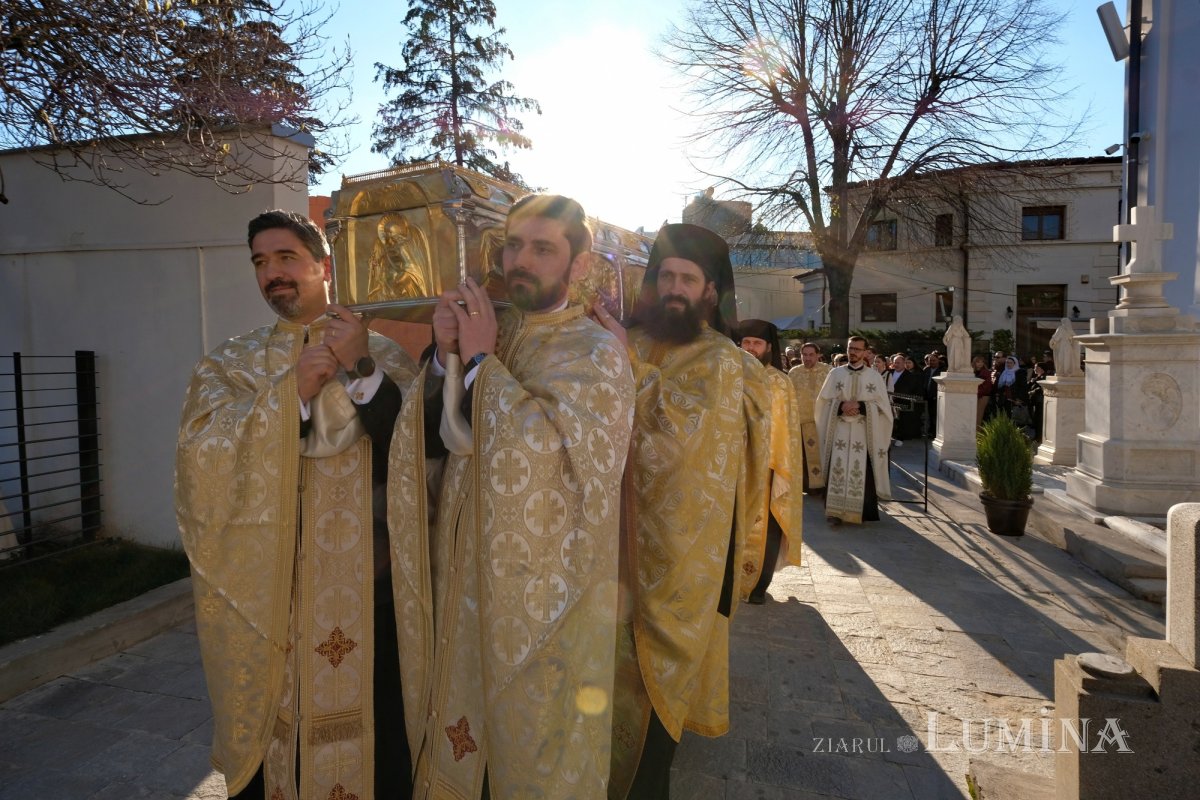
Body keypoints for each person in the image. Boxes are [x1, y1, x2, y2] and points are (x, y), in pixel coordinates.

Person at [386, 194, 635, 799]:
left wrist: (478, 359)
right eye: (513, 245)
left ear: (579, 265)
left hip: (544, 602)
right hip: (462, 579)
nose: (520, 260)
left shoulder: (597, 352)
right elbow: (438, 443)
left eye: (543, 248)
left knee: (530, 753)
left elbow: (556, 465)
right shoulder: (494, 330)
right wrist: (446, 358)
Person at [176, 210, 418, 799]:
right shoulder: (229, 363)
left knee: (380, 744)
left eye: (286, 258)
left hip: (371, 593)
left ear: (323, 267)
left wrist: (360, 368)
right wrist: (294, 397)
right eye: (261, 262)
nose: (272, 274)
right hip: (272, 597)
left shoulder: (385, 354)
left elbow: (418, 458)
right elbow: (200, 458)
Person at [593, 223, 770, 800]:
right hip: (602, 558)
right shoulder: (629, 339)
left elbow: (680, 445)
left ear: (710, 291)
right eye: (665, 275)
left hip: (669, 572)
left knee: (646, 745)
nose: (673, 288)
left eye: (686, 279)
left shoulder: (720, 359)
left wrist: (620, 360)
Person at [735, 319, 803, 606]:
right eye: (746, 342)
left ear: (768, 348)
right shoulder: (729, 372)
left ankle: (756, 586)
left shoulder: (778, 381)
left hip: (765, 466)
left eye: (756, 343)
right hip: (731, 464)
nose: (750, 348)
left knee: (763, 524)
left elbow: (781, 430)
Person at [817, 336, 894, 525]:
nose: (853, 352)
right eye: (850, 348)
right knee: (837, 467)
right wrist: (840, 406)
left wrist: (861, 405)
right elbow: (822, 403)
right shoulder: (835, 374)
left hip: (863, 432)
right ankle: (835, 512)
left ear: (866, 352)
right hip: (839, 431)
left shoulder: (874, 377)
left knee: (863, 469)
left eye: (857, 349)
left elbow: (884, 408)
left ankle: (861, 512)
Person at [788, 342, 832, 495]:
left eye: (811, 355)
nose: (807, 358)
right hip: (801, 422)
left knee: (823, 455)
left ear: (818, 355)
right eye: (804, 355)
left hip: (823, 422)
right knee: (804, 458)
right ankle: (807, 488)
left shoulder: (828, 371)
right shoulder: (794, 373)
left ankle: (825, 487)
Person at [886, 353, 924, 442]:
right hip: (887, 401)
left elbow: (908, 389)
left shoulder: (910, 376)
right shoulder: (889, 373)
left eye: (898, 363)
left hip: (901, 402)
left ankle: (899, 436)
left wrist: (895, 396)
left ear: (904, 364)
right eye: (895, 362)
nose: (896, 364)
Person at [987, 355, 1028, 421]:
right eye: (1007, 363)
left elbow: (1023, 387)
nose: (1008, 364)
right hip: (1004, 399)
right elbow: (1000, 386)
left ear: (1015, 364)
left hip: (1015, 399)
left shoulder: (1019, 373)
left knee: (1014, 419)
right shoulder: (1004, 373)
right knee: (1003, 417)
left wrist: (1019, 399)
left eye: (1010, 363)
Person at [972, 354, 993, 430]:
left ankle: (977, 433)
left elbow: (987, 387)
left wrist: (976, 392)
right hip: (974, 395)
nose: (980, 363)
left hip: (983, 396)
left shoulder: (986, 372)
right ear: (974, 362)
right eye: (978, 362)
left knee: (979, 415)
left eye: (982, 362)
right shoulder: (972, 372)